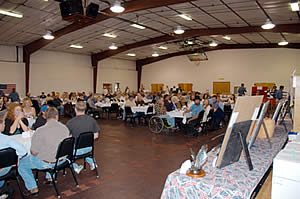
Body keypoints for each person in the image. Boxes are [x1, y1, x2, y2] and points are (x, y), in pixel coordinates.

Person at [0, 110, 39, 196]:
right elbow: (23, 151)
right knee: (23, 162)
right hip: (4, 169)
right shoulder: (6, 139)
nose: (4, 125)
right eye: (3, 123)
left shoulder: (23, 120)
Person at [30, 107, 70, 183]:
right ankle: (50, 176)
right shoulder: (65, 128)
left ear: (45, 116)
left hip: (48, 163)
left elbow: (34, 152)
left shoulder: (40, 130)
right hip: (62, 160)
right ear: (57, 116)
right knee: (50, 150)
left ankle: (33, 187)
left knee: (22, 164)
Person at [66, 101, 100, 174]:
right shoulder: (92, 120)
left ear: (75, 109)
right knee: (83, 147)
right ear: (85, 109)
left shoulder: (71, 122)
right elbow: (96, 135)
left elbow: (67, 138)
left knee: (64, 153)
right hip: (89, 148)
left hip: (76, 151)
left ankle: (75, 167)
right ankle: (92, 162)